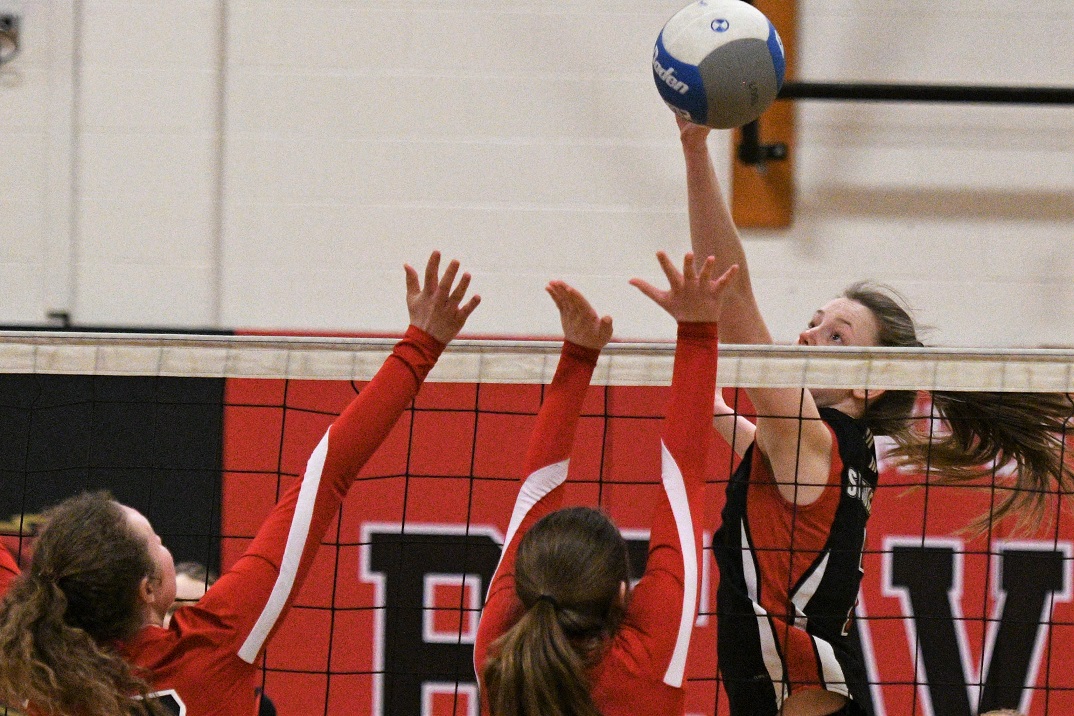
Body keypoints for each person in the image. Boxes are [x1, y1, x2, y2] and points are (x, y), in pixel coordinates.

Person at [676, 115, 1074, 716]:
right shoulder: (835, 450)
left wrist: (695, 150)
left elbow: (729, 293)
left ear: (868, 383)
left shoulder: (812, 442)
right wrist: (715, 412)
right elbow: (776, 465)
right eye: (814, 321)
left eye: (837, 336)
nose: (808, 336)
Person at [0, 251, 480, 716]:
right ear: (147, 588)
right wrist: (422, 343)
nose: (166, 546)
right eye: (157, 541)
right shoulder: (214, 646)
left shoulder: (36, 681)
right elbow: (328, 472)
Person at [474, 252, 739, 716]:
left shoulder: (500, 658)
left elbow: (682, 480)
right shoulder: (645, 663)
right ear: (622, 593)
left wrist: (697, 329)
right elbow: (683, 478)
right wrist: (693, 331)